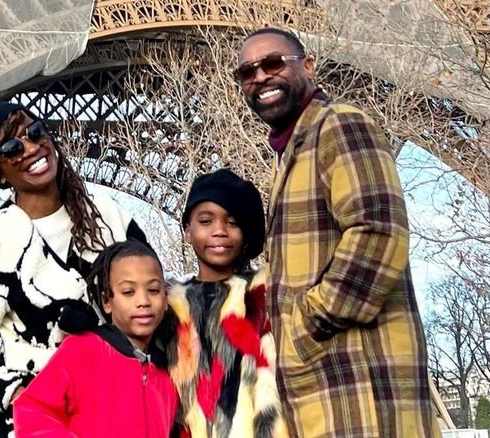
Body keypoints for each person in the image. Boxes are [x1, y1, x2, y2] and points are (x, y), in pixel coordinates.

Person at [235, 28, 440, 437]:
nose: (260, 76)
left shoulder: (339, 125)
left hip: (360, 389)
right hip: (328, 391)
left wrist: (308, 323)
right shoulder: (293, 150)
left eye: (273, 63)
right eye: (247, 72)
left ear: (308, 66)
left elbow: (378, 231)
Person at [0, 101, 149, 438]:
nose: (31, 147)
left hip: (113, 411)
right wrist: (19, 395)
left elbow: (155, 296)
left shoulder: (108, 216)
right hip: (30, 426)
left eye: (35, 131)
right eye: (12, 148)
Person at [166, 168, 288, 438]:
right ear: (187, 231)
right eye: (206, 221)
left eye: (232, 223)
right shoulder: (166, 306)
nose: (219, 230)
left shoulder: (265, 296)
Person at [12, 239, 178, 437]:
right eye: (128, 292)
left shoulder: (168, 375)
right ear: (107, 301)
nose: (143, 301)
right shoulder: (81, 350)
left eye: (153, 290)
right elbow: (32, 410)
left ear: (165, 298)